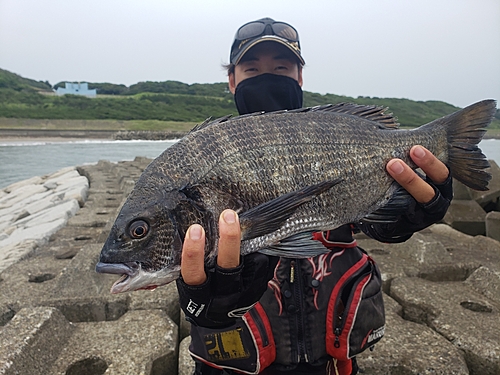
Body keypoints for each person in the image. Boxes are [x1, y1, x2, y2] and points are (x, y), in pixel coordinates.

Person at [176, 17, 452, 375]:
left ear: (300, 77)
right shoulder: (201, 160)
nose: (268, 76)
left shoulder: (329, 140)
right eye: (252, 68)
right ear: (232, 80)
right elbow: (180, 261)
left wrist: (405, 212)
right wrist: (200, 301)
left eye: (281, 67)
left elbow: (378, 226)